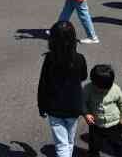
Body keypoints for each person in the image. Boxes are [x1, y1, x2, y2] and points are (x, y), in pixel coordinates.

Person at [38, 21, 88, 157]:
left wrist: (41, 105)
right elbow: (84, 76)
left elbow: (43, 83)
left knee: (61, 144)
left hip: (54, 107)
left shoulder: (49, 58)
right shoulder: (79, 58)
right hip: (74, 106)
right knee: (70, 141)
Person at [83, 64, 122, 157]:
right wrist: (86, 114)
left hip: (114, 123)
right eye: (100, 89)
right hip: (96, 124)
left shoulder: (115, 89)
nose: (103, 92)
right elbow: (82, 103)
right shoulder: (88, 89)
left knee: (117, 143)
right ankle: (93, 154)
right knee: (94, 144)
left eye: (106, 89)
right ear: (93, 83)